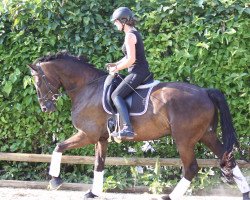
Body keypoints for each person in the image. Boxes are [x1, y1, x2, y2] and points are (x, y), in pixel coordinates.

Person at [106, 7, 151, 140]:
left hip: (138, 72)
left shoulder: (130, 36)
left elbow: (131, 60)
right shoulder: (133, 32)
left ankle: (127, 128)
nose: (115, 25)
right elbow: (127, 57)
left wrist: (117, 69)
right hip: (139, 70)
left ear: (123, 21)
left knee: (116, 95)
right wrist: (115, 64)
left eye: (116, 22)